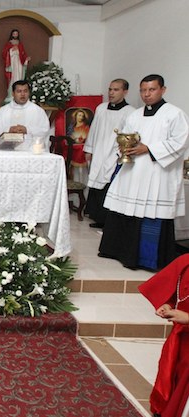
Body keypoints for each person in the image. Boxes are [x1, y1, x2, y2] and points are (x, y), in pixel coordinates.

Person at [99, 74, 189, 271]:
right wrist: (124, 148)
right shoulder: (135, 115)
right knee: (124, 211)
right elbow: (124, 137)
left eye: (152, 89)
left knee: (150, 216)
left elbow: (180, 142)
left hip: (157, 175)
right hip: (132, 172)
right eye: (143, 90)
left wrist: (148, 149)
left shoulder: (175, 114)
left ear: (163, 90)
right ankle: (119, 252)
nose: (147, 94)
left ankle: (146, 259)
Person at [138, 254, 189, 417]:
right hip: (181, 341)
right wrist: (168, 304)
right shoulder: (185, 262)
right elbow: (177, 295)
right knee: (173, 378)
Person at [83, 79, 135, 228]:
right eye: (110, 89)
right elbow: (93, 129)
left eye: (116, 90)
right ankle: (96, 216)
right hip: (99, 150)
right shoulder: (101, 108)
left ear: (125, 92)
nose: (111, 93)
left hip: (114, 153)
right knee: (96, 179)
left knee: (109, 183)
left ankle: (107, 220)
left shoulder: (130, 112)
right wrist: (89, 149)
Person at [2, 29, 30, 101]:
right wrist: (11, 50)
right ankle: (11, 94)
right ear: (12, 34)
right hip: (12, 62)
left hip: (19, 62)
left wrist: (26, 59)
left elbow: (23, 53)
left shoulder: (20, 44)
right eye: (14, 34)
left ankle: (19, 91)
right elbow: (4, 54)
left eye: (16, 34)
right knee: (13, 77)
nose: (15, 35)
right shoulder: (9, 44)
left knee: (19, 76)